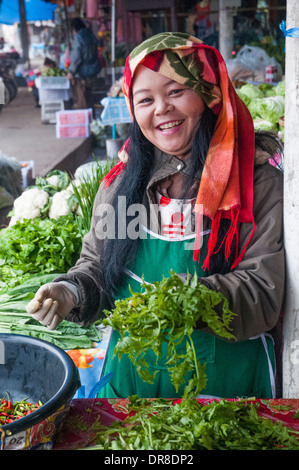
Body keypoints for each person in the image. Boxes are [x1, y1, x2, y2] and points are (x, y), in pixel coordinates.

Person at [26, 32, 284, 399]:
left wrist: (188, 296)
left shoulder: (256, 184)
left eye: (176, 91)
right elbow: (98, 266)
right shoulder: (121, 186)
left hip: (230, 384)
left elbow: (264, 293)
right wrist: (71, 291)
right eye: (145, 99)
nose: (161, 108)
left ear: (208, 93)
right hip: (134, 378)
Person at [67, 18, 101, 109]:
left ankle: (86, 119)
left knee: (82, 99)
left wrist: (71, 72)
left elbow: (76, 57)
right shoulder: (91, 34)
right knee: (90, 97)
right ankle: (92, 118)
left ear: (74, 29)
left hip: (82, 73)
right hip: (93, 70)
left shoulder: (78, 37)